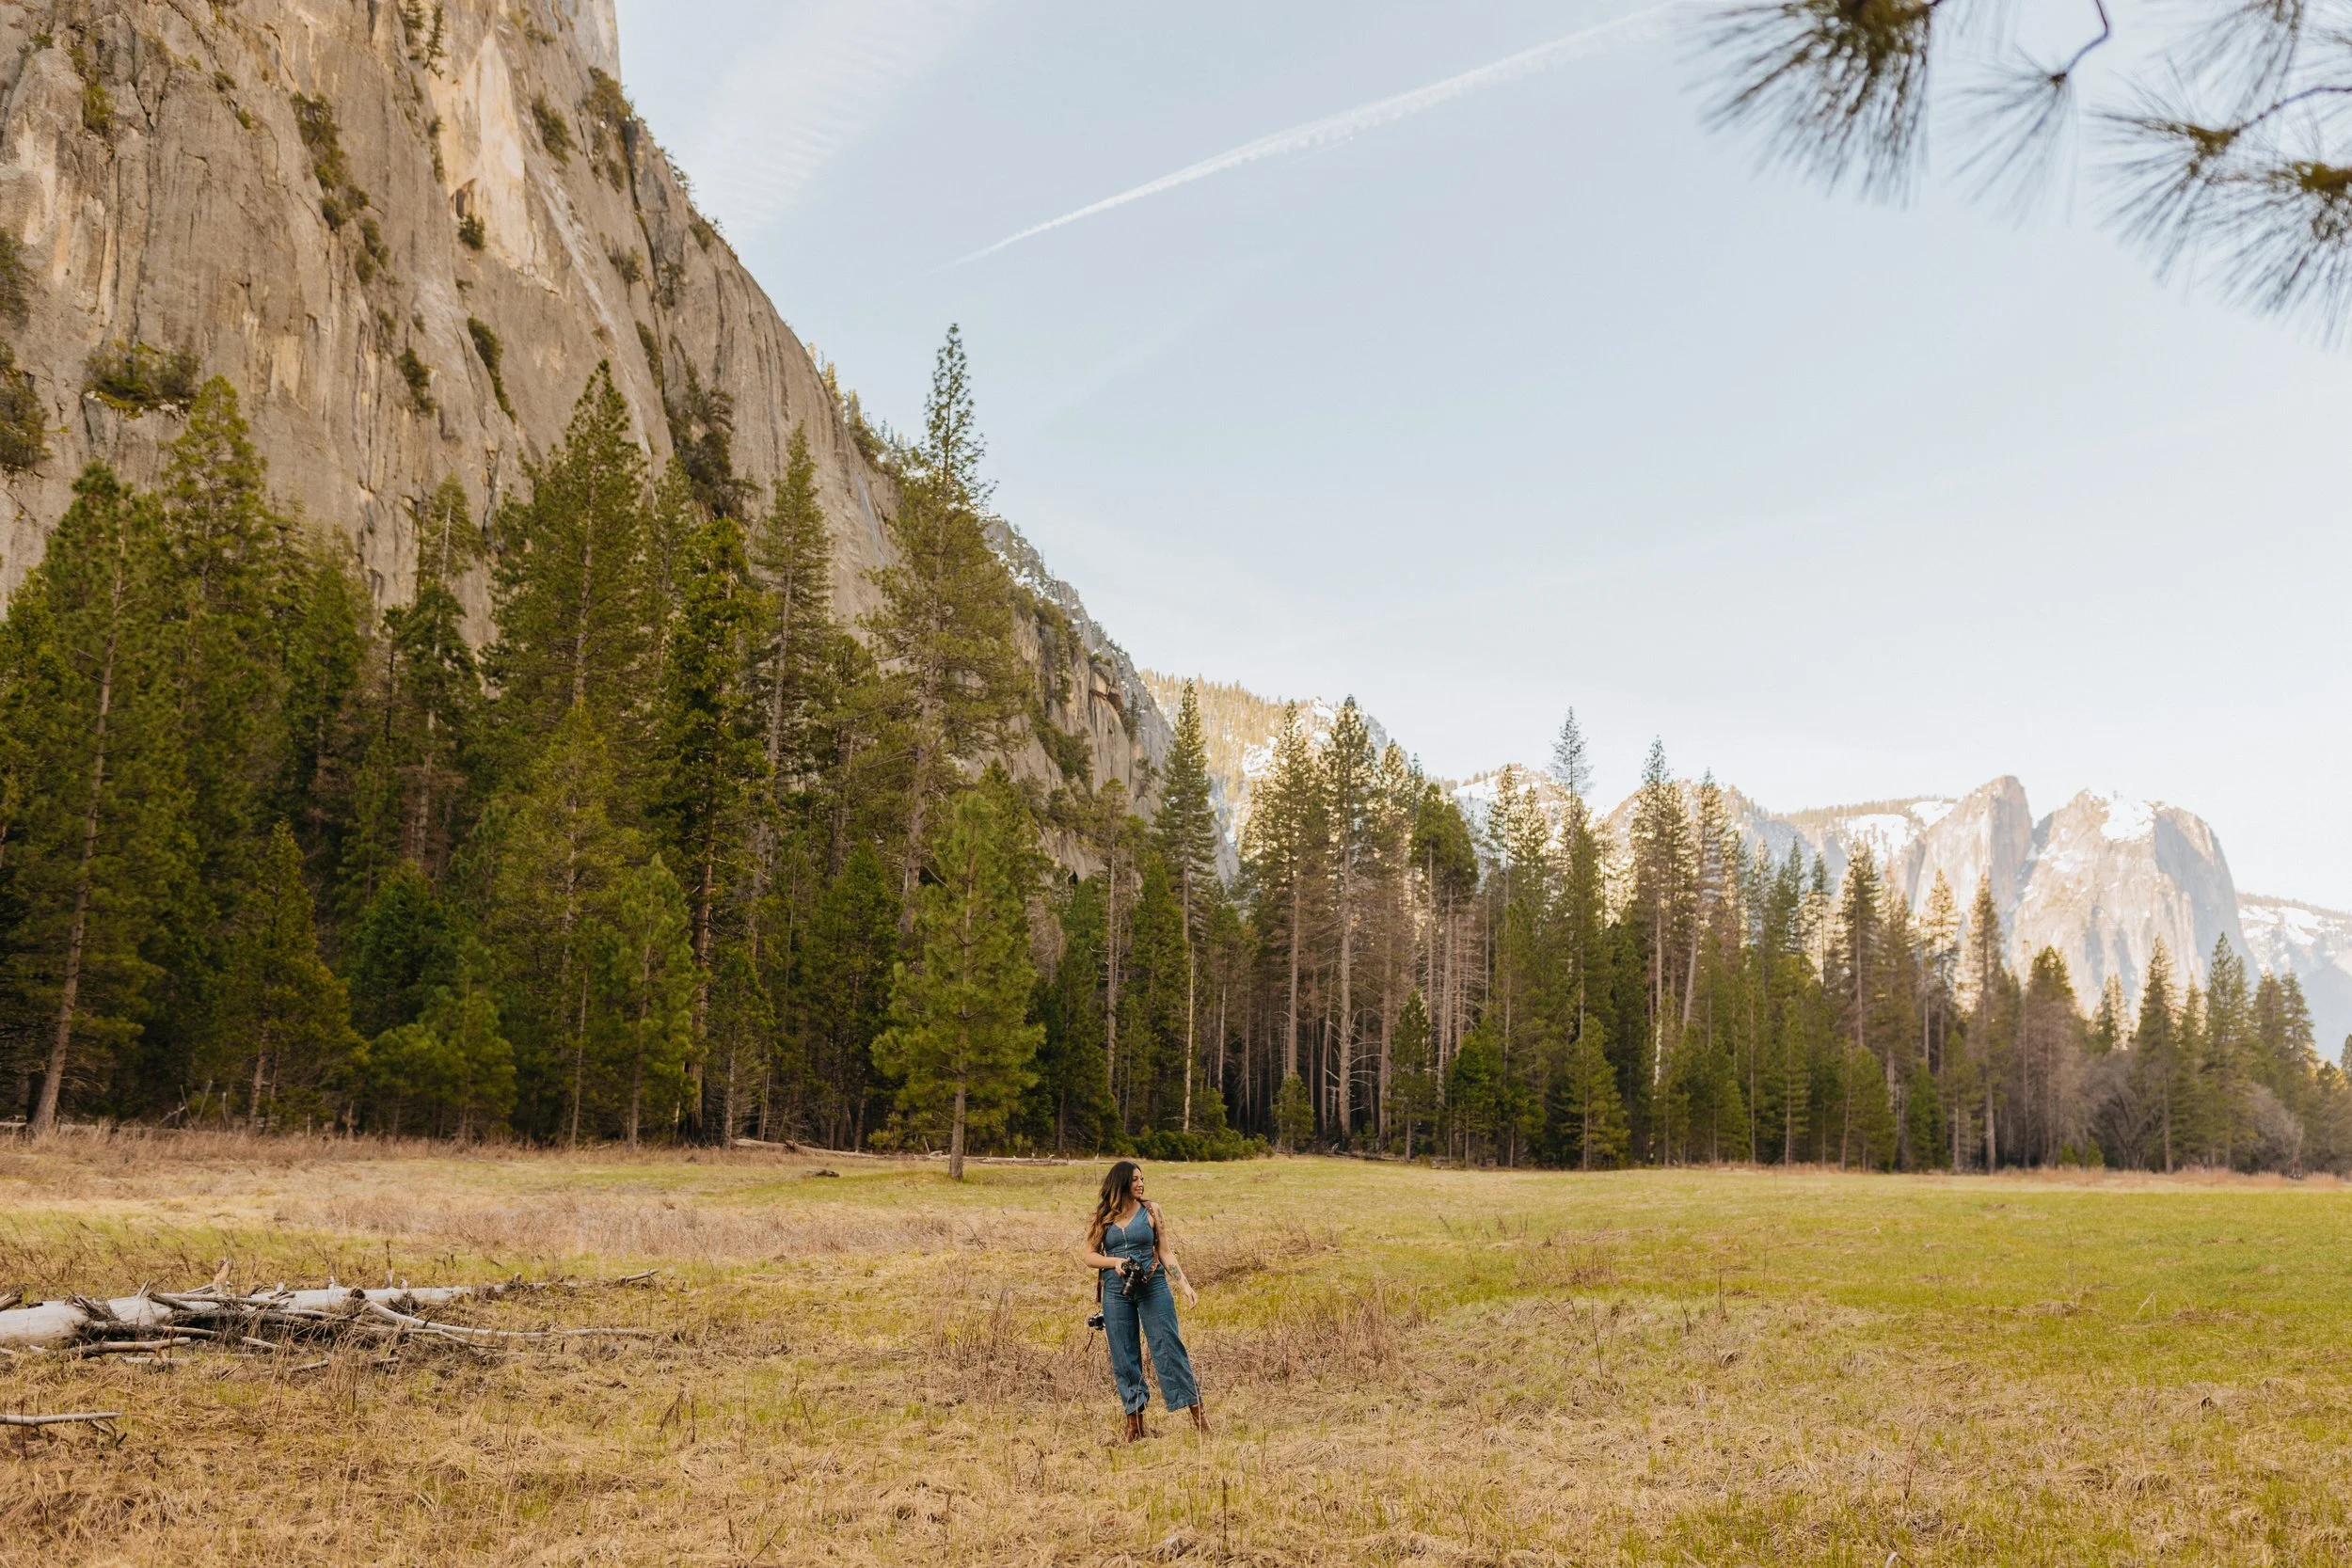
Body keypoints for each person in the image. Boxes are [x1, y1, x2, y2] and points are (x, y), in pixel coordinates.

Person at [1078, 1159, 1206, 1442]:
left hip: (1153, 1284)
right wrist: (1115, 1262)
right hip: (1115, 1289)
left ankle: (1199, 1417)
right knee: (1124, 1355)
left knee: (1169, 1347)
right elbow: (1089, 1256)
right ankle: (1134, 1424)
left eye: (1142, 1179)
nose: (1141, 1183)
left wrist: (1184, 1284)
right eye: (1135, 1179)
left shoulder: (1151, 1210)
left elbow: (1166, 1251)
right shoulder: (1102, 1216)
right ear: (1121, 1182)